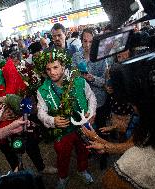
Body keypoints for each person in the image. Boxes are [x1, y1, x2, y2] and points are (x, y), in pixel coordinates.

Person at [36, 48, 97, 189]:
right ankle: (63, 177)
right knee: (62, 156)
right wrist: (52, 121)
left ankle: (82, 170)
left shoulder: (79, 81)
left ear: (63, 66)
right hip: (62, 130)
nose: (52, 72)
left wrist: (91, 111)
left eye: (55, 67)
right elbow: (41, 112)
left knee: (84, 150)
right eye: (48, 69)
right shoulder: (42, 90)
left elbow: (91, 96)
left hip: (82, 125)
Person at [72, 28, 109, 169]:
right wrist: (77, 76)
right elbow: (72, 75)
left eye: (91, 41)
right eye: (85, 41)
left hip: (99, 100)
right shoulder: (76, 56)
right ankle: (92, 150)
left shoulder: (101, 56)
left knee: (101, 129)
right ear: (81, 41)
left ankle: (105, 153)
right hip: (83, 101)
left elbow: (105, 81)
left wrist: (91, 78)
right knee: (88, 129)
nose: (87, 45)